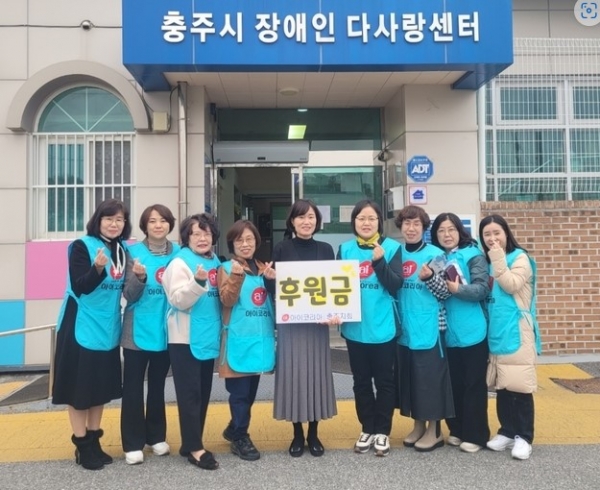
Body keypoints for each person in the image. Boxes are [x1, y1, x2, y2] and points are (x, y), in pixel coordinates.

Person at [52, 198, 131, 470]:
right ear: (98, 220)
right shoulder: (81, 246)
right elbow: (80, 286)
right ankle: (82, 445)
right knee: (79, 389)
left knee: (100, 388)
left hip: (107, 327)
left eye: (119, 219)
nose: (114, 224)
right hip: (80, 326)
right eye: (109, 218)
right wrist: (97, 268)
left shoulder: (122, 250)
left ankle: (95, 440)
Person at [269, 199, 338, 458]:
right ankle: (297, 433)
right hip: (291, 325)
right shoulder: (282, 248)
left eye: (311, 217)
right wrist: (270, 279)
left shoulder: (326, 249)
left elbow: (334, 287)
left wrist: (336, 312)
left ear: (317, 221)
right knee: (294, 375)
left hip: (318, 325)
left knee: (317, 375)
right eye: (301, 217)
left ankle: (314, 433)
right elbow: (273, 289)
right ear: (292, 221)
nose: (306, 221)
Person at [337, 200, 403, 457]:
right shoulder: (344, 249)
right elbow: (336, 287)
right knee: (361, 382)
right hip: (355, 328)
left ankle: (382, 431)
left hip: (383, 327)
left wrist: (379, 262)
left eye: (371, 218)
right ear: (354, 221)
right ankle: (367, 428)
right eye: (361, 218)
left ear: (379, 222)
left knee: (385, 382)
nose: (366, 223)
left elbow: (395, 284)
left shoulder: (392, 248)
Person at [120, 204, 180, 465]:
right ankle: (132, 443)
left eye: (163, 220)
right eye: (152, 221)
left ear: (170, 224)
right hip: (137, 330)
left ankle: (155, 437)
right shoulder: (132, 253)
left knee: (158, 385)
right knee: (133, 387)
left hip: (166, 330)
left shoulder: (179, 253)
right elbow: (128, 294)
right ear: (144, 225)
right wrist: (140, 278)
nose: (158, 225)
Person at [161, 213, 221, 470]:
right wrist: (197, 282)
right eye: (196, 234)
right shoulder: (179, 263)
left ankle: (190, 442)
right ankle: (195, 449)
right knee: (189, 394)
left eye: (206, 233)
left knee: (203, 392)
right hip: (184, 339)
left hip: (206, 335)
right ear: (187, 238)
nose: (202, 238)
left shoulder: (214, 260)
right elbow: (177, 300)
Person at [479, 214, 541, 461]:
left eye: (497, 233)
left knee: (520, 386)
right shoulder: (488, 262)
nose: (492, 238)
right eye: (487, 234)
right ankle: (506, 431)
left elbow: (511, 284)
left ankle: (524, 437)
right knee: (503, 385)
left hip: (517, 330)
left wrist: (497, 257)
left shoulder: (520, 258)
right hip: (497, 331)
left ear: (506, 233)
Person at [394, 205, 455, 452]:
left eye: (416, 224)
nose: (411, 228)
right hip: (405, 329)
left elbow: (446, 293)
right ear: (401, 227)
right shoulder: (395, 254)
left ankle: (435, 430)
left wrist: (429, 277)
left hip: (430, 327)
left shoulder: (436, 255)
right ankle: (418, 424)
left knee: (430, 380)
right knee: (411, 379)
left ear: (424, 227)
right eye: (407, 223)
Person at [429, 213, 490, 453]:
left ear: (460, 231)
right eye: (441, 230)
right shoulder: (437, 259)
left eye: (451, 229)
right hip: (449, 334)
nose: (446, 235)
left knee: (473, 384)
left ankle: (476, 435)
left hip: (473, 330)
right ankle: (457, 429)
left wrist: (458, 290)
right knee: (454, 383)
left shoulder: (473, 255)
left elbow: (482, 289)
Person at [218, 220, 277, 461]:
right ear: (232, 244)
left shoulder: (265, 269)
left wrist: (273, 281)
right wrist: (235, 276)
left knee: (250, 393)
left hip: (260, 342)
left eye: (249, 239)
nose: (245, 244)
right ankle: (240, 437)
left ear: (257, 242)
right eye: (239, 240)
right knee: (240, 394)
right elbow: (227, 300)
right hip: (238, 341)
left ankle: (234, 428)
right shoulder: (226, 268)